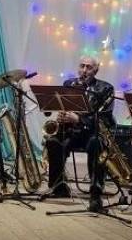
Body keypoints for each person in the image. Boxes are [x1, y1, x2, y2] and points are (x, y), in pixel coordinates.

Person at [44, 55, 115, 212]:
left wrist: (79, 119)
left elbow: (104, 118)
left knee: (95, 144)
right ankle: (59, 186)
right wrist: (62, 116)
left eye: (88, 67)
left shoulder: (105, 88)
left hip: (92, 133)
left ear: (96, 70)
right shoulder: (68, 84)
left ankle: (95, 193)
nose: (84, 70)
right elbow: (60, 105)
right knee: (53, 141)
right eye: (82, 66)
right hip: (71, 132)